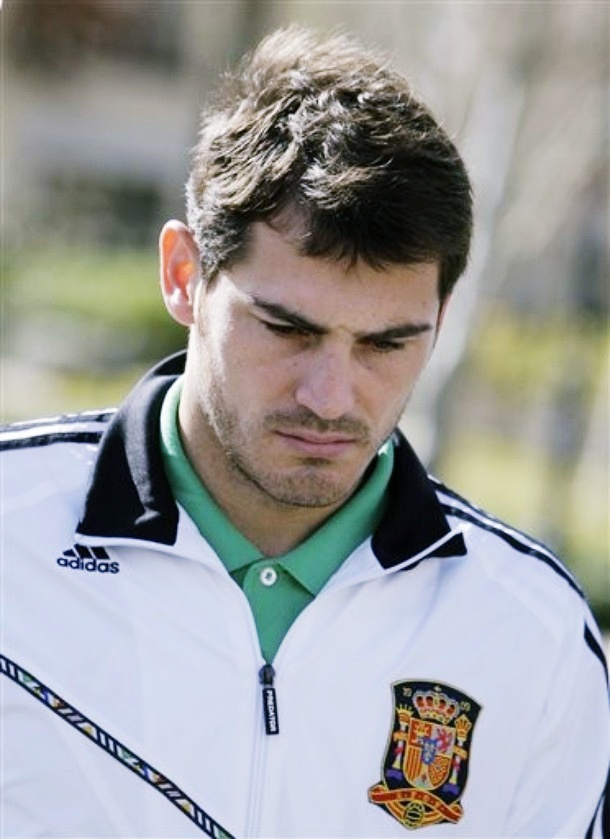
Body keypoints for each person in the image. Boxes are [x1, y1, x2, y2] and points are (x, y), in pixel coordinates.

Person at [1, 25, 608, 838]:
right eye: (287, 329)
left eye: (386, 344)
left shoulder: (537, 635)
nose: (330, 397)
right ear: (185, 275)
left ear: (441, 319)